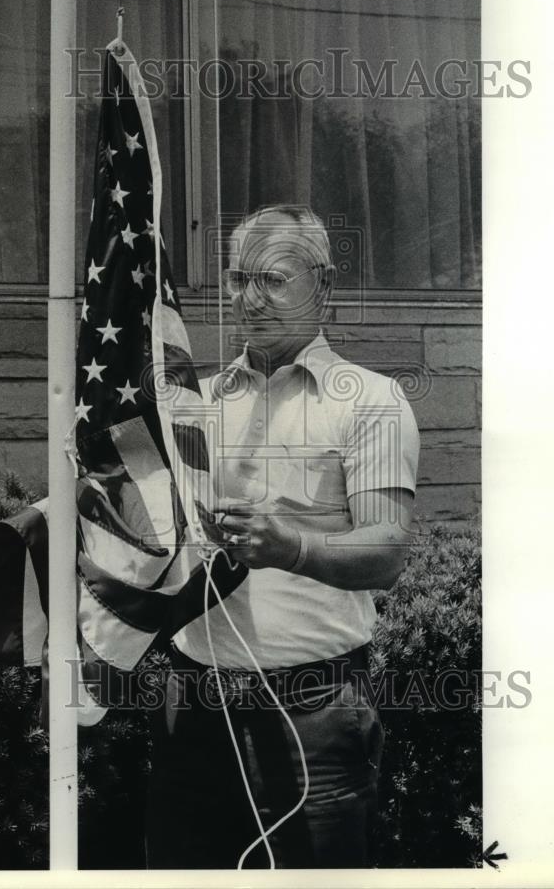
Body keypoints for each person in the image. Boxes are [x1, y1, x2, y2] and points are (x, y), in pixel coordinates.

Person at [145, 204, 420, 869]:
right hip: (194, 705)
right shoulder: (192, 402)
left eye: (272, 280)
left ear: (322, 287)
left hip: (313, 715)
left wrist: (291, 546)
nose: (250, 298)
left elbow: (385, 550)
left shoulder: (370, 400)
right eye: (239, 280)